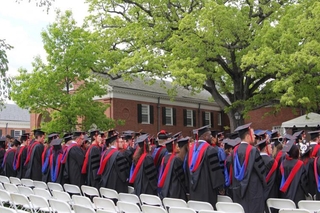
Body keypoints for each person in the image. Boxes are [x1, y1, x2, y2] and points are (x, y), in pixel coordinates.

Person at [230, 123, 266, 213]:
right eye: (253, 134)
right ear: (247, 136)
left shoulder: (234, 150)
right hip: (253, 190)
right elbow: (261, 171)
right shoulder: (253, 150)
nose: (254, 136)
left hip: (238, 189)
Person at [187, 125, 224, 209]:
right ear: (205, 136)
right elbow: (215, 172)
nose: (211, 137)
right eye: (210, 135)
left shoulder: (191, 150)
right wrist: (220, 187)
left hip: (193, 189)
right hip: (207, 189)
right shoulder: (210, 150)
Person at [280, 140, 308, 206]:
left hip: (284, 196)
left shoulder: (283, 164)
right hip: (298, 197)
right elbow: (303, 182)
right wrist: (307, 192)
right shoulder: (300, 164)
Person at [256, 139, 278, 213]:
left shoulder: (256, 160)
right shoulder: (271, 161)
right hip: (271, 192)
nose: (272, 149)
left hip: (258, 192)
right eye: (270, 147)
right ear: (266, 148)